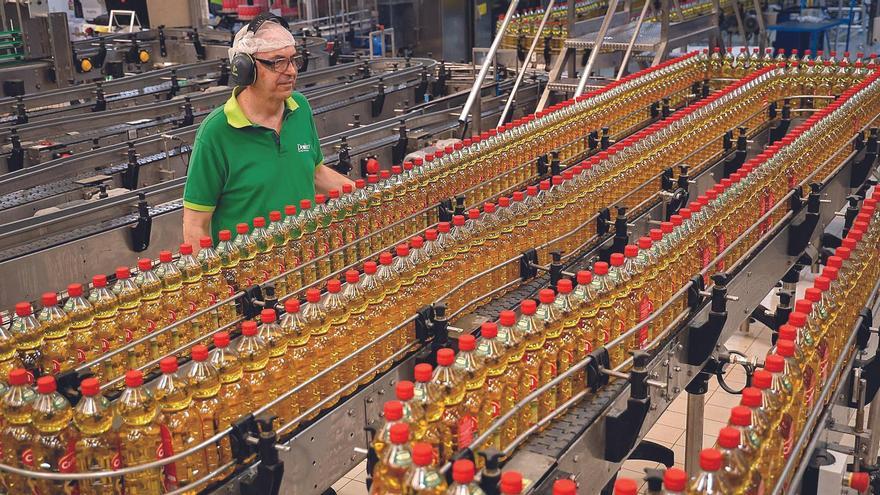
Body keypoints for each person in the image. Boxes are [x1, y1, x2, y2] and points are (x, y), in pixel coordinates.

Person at [182, 13, 353, 246]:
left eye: (293, 60)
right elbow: (195, 225)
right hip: (250, 273)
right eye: (278, 62)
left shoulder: (299, 107)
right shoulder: (216, 132)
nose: (291, 71)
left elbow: (313, 172)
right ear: (245, 69)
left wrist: (368, 195)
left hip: (306, 261)